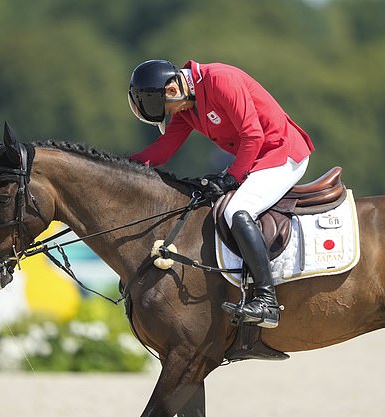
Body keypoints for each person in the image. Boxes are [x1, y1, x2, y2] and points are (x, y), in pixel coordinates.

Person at [128, 59, 314, 328]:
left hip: (282, 153)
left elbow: (253, 135)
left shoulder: (220, 80)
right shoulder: (187, 108)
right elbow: (162, 151)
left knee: (237, 211)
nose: (173, 114)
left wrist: (231, 177)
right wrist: (113, 166)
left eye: (168, 109)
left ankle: (267, 301)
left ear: (172, 91)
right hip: (256, 159)